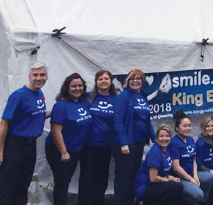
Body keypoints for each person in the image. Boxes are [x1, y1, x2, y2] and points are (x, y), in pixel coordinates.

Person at [0, 62, 50, 205]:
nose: (39, 78)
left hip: (30, 147)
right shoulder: (18, 95)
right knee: (7, 187)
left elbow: (37, 115)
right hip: (15, 146)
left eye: (42, 75)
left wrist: (61, 111)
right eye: (35, 75)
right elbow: (4, 123)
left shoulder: (39, 94)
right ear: (29, 77)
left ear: (46, 77)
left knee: (23, 186)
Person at [45, 73, 93, 205]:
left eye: (80, 85)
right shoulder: (61, 105)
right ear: (67, 87)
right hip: (59, 149)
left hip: (76, 148)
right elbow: (56, 131)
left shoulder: (83, 101)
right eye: (73, 86)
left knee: (67, 179)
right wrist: (64, 152)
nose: (77, 88)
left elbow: (94, 92)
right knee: (62, 182)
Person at [112, 69, 156, 205]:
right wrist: (123, 143)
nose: (135, 81)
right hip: (126, 144)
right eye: (132, 78)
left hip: (139, 142)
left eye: (138, 79)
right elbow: (117, 120)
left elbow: (146, 120)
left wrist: (155, 137)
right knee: (123, 176)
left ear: (142, 81)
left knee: (134, 174)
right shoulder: (124, 96)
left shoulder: (143, 96)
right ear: (127, 81)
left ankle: (131, 201)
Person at [79, 70, 118, 205]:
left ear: (110, 81)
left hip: (105, 146)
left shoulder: (116, 99)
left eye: (106, 78)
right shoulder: (88, 97)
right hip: (88, 145)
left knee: (101, 178)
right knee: (86, 177)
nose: (103, 81)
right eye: (100, 79)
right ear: (96, 82)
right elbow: (71, 103)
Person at [169, 110, 213, 205]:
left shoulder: (190, 139)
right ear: (177, 128)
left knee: (210, 177)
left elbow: (194, 159)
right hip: (180, 178)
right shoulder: (174, 143)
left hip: (191, 174)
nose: (187, 128)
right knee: (198, 194)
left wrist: (195, 175)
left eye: (189, 126)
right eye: (184, 126)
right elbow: (176, 168)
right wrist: (191, 179)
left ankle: (201, 203)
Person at [134, 124, 184, 205]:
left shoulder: (167, 150)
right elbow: (153, 178)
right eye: (161, 136)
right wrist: (169, 179)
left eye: (167, 136)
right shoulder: (155, 153)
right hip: (146, 188)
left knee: (175, 193)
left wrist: (169, 177)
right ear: (157, 138)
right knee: (177, 187)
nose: (164, 138)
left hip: (158, 184)